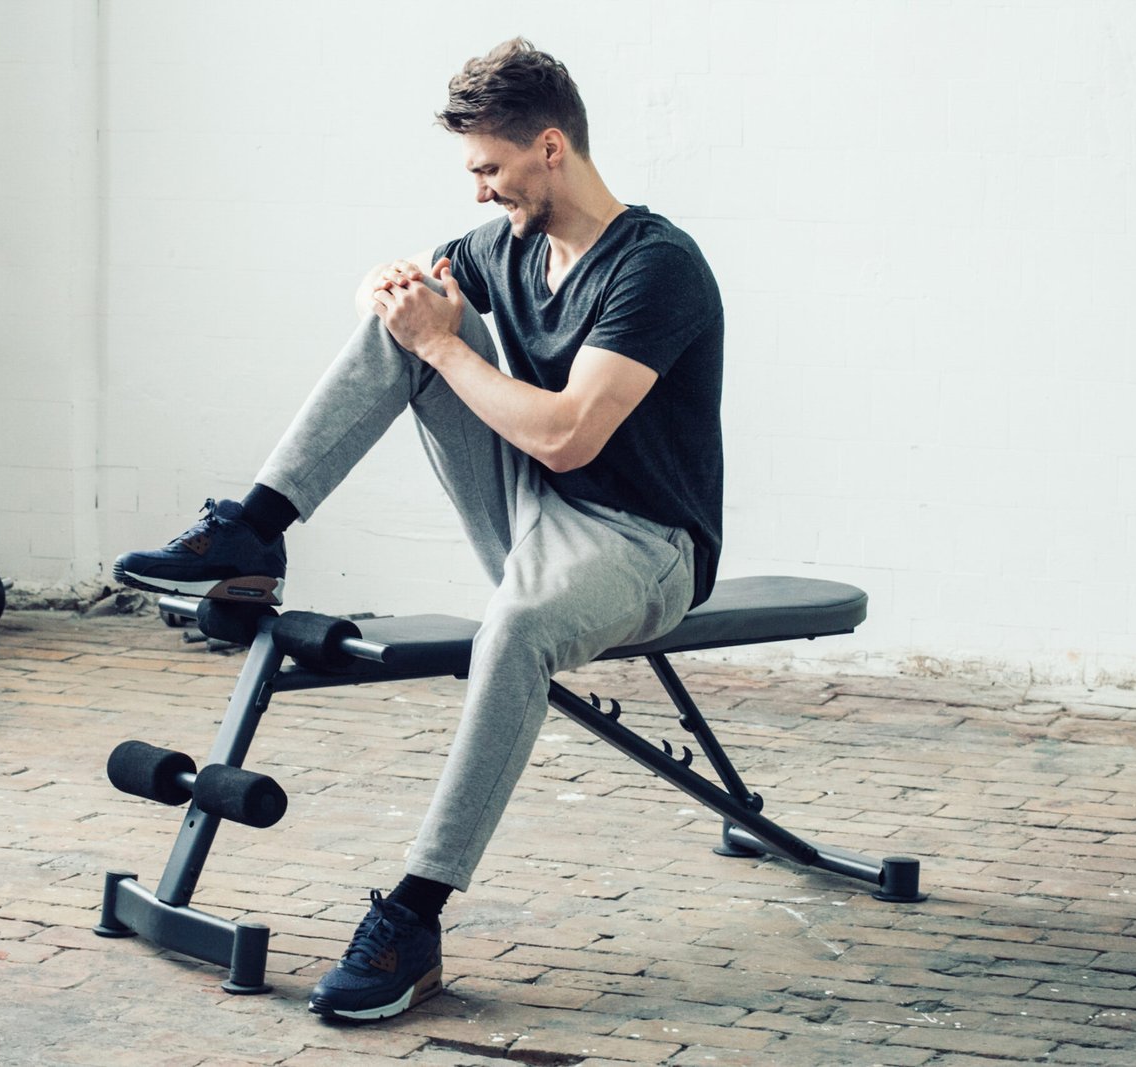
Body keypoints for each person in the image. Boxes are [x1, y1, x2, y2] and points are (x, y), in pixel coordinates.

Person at [113, 38, 724, 1022]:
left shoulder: (657, 268)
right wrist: (399, 303)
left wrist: (437, 338)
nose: (479, 191)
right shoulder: (505, 248)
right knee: (409, 307)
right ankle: (254, 529)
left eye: (489, 167)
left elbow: (568, 436)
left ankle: (413, 911)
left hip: (643, 548)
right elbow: (387, 307)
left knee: (514, 626)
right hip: (526, 518)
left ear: (551, 147)